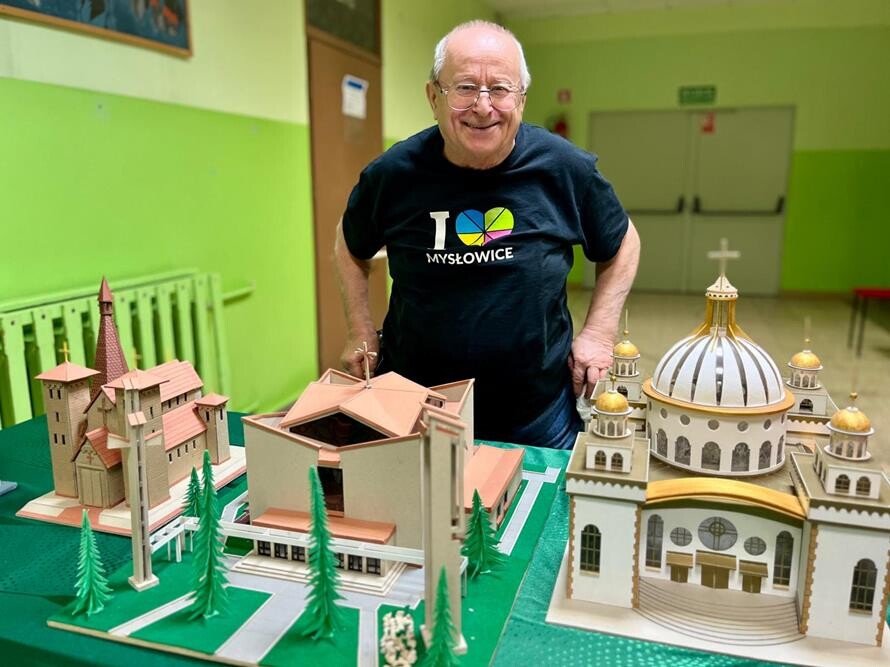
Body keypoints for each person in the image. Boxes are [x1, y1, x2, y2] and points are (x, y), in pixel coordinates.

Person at [334, 20, 639, 450]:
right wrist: (360, 329)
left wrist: (599, 333)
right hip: (416, 409)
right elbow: (349, 243)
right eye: (464, 88)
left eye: (500, 89)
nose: (483, 106)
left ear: (521, 99)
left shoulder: (563, 168)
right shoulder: (393, 175)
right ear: (433, 97)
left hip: (538, 417)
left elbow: (623, 241)